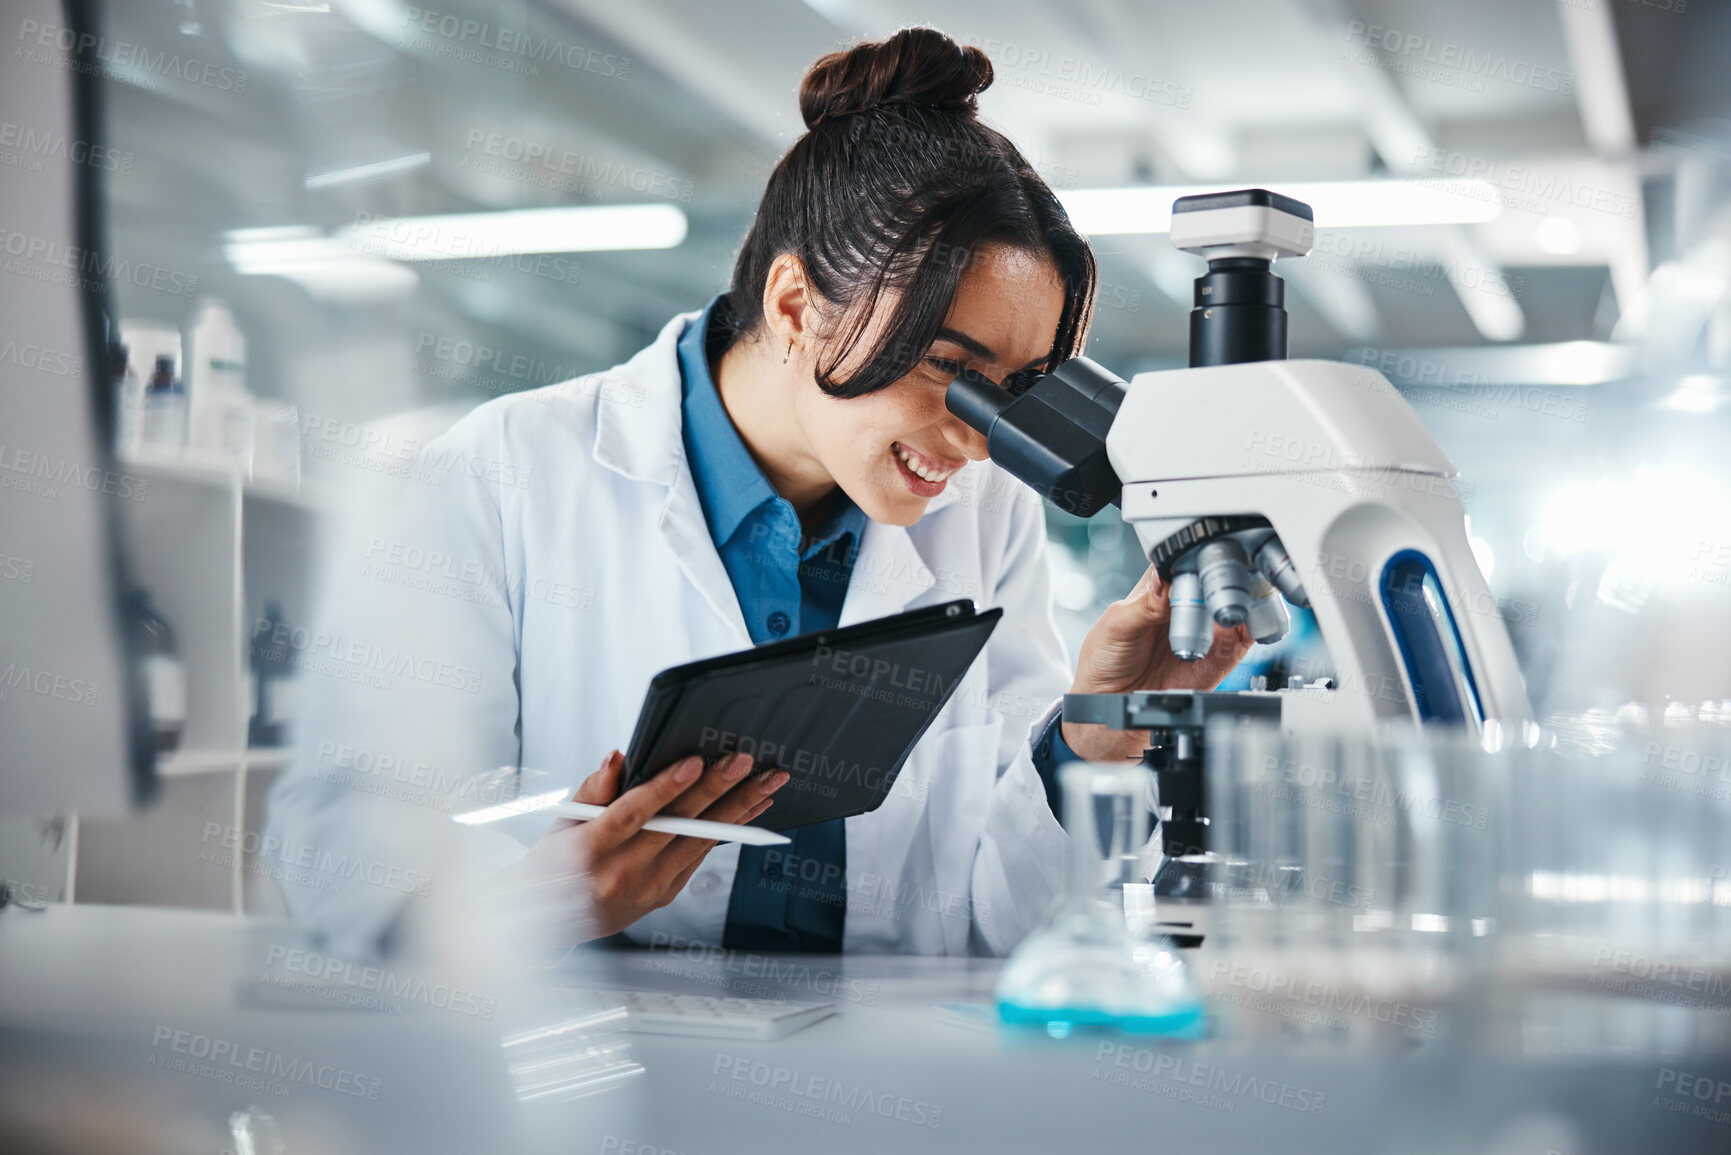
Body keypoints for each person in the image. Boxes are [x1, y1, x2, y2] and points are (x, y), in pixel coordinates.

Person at [266, 27, 1249, 959]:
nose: (979, 440)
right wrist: (531, 900)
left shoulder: (984, 511)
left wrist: (1092, 738)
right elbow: (333, 845)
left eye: (1021, 391)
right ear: (793, 307)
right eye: (950, 370)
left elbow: (1001, 917)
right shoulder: (502, 473)